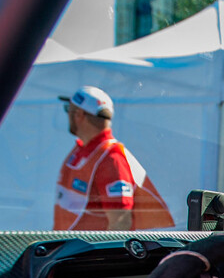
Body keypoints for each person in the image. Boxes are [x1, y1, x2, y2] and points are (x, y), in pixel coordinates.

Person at [54, 85, 172, 231]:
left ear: (79, 115)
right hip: (64, 248)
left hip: (88, 253)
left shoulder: (111, 158)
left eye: (68, 109)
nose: (67, 115)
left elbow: (121, 222)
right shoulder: (83, 149)